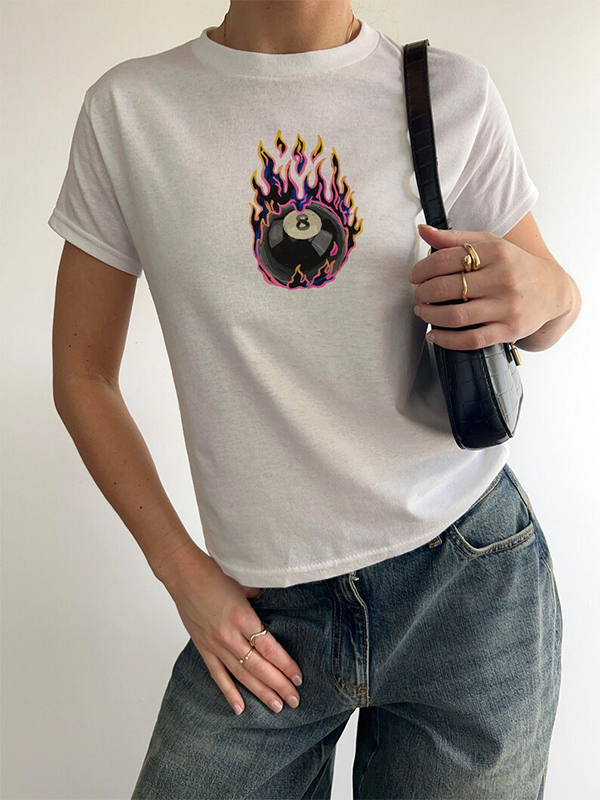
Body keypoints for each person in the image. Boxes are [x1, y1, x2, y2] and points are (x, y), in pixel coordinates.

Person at [48, 1, 580, 797]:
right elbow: (83, 373)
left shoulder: (447, 93)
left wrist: (550, 292)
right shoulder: (131, 112)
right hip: (266, 616)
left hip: (467, 584)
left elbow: (550, 311)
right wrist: (181, 571)